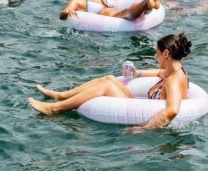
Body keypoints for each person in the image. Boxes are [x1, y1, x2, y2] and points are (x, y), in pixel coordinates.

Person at [29, 33, 192, 127]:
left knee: (107, 84)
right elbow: (159, 73)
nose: (155, 57)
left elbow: (172, 111)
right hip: (140, 103)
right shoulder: (173, 72)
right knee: (109, 78)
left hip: (142, 113)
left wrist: (144, 129)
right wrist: (138, 73)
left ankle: (55, 109)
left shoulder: (174, 80)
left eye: (157, 53)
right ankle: (62, 96)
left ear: (165, 54)